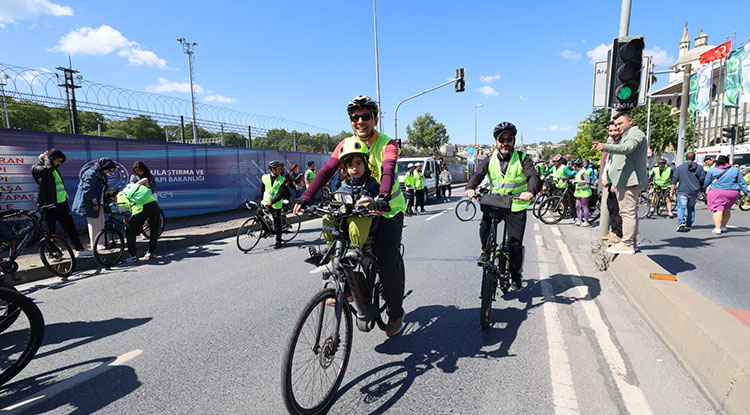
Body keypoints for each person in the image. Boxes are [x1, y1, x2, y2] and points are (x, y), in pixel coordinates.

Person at [293, 95, 406, 337]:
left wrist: (383, 197)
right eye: (355, 117)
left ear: (375, 118)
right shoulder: (345, 144)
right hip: (354, 208)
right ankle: (348, 287)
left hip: (388, 210)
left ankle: (396, 312)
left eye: (366, 116)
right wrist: (306, 196)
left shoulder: (388, 144)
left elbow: (387, 169)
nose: (360, 121)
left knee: (386, 263)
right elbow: (326, 170)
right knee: (340, 246)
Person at [465, 122, 539, 291]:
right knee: (484, 227)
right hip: (496, 204)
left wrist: (529, 191)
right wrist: (470, 188)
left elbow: (533, 176)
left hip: (516, 206)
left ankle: (516, 274)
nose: (505, 143)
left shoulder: (522, 158)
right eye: (502, 139)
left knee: (515, 244)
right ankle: (486, 250)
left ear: (513, 141)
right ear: (496, 141)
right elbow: (478, 175)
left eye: (509, 139)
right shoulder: (489, 159)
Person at [592, 111, 648, 254]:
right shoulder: (625, 135)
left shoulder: (635, 134)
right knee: (627, 212)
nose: (617, 127)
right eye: (615, 125)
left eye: (620, 124)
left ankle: (628, 243)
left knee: (627, 213)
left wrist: (605, 146)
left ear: (631, 121)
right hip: (624, 180)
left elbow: (627, 148)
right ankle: (630, 242)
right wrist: (611, 139)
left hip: (630, 180)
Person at [320, 137, 380, 256]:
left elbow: (379, 198)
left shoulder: (372, 184)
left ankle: (356, 249)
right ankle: (330, 246)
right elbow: (337, 199)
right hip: (344, 221)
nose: (354, 168)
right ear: (346, 168)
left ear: (365, 164)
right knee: (327, 218)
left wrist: (377, 202)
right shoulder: (344, 185)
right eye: (350, 165)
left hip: (365, 222)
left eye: (358, 163)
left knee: (356, 220)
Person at [31, 149, 91, 258]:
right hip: (48, 205)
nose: (59, 164)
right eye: (58, 161)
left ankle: (80, 250)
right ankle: (53, 254)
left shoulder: (53, 167)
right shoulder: (37, 168)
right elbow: (47, 169)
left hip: (61, 203)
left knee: (70, 228)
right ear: (51, 159)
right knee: (49, 232)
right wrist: (46, 159)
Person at [105, 182, 161, 263]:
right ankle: (151, 253)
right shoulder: (127, 190)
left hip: (141, 209)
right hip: (153, 204)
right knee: (154, 229)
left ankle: (133, 256)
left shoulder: (120, 199)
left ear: (112, 197)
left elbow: (125, 216)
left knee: (130, 232)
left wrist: (127, 225)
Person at [72, 158, 115, 251]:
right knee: (94, 223)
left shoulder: (101, 173)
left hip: (100, 202)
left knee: (101, 222)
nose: (109, 172)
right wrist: (95, 202)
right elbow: (87, 189)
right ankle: (96, 244)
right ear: (104, 167)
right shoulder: (91, 173)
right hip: (90, 203)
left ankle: (103, 242)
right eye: (109, 170)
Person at [703, 155, 750, 234]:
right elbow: (742, 183)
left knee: (718, 209)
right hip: (733, 192)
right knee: (727, 209)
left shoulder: (712, 170)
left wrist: (703, 189)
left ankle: (717, 228)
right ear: (728, 162)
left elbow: (707, 182)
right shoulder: (736, 170)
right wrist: (747, 193)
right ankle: (723, 226)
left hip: (717, 192)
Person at [670, 151, 705, 232]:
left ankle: (681, 221)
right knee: (691, 208)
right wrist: (700, 188)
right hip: (694, 191)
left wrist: (671, 191)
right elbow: (702, 179)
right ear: (694, 158)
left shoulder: (680, 168)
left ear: (685, 158)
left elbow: (674, 180)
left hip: (683, 190)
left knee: (681, 207)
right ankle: (689, 224)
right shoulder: (699, 168)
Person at [600, 121, 623, 244]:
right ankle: (614, 232)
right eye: (610, 131)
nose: (613, 133)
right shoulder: (613, 146)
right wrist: (605, 177)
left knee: (618, 210)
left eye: (615, 130)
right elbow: (609, 165)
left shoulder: (622, 145)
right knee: (611, 207)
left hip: (618, 184)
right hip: (611, 183)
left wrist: (615, 183)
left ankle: (618, 234)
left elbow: (621, 166)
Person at [261, 160, 290, 249]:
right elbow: (263, 190)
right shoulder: (264, 177)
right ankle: (266, 229)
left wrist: (271, 203)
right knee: (258, 215)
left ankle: (278, 241)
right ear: (272, 169)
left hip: (276, 204)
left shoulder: (282, 180)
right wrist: (261, 201)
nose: (280, 170)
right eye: (278, 168)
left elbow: (280, 194)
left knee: (277, 223)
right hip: (266, 202)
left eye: (280, 168)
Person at [572, 158, 591, 227]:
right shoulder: (577, 172)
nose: (573, 167)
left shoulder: (583, 171)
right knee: (577, 206)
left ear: (576, 165)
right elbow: (577, 179)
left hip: (585, 192)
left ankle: (586, 221)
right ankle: (579, 220)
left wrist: (577, 182)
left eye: (574, 166)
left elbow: (588, 181)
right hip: (578, 191)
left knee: (584, 207)